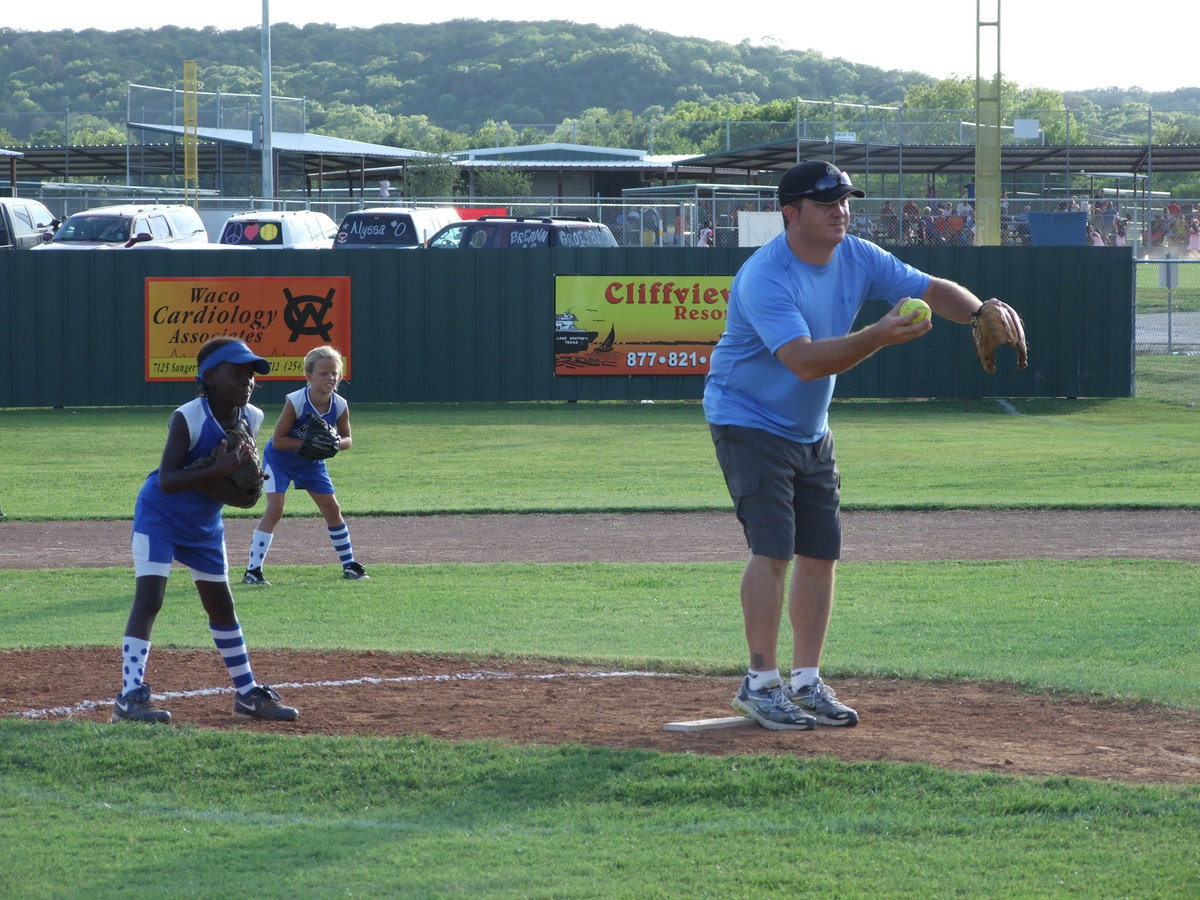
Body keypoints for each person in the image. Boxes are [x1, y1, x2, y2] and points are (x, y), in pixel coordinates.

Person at [703, 159, 1021, 731]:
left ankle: (805, 681)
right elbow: (801, 361)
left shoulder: (858, 255)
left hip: (809, 428)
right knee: (773, 550)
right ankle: (759, 682)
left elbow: (930, 289)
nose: (840, 211)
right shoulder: (766, 275)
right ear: (791, 213)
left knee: (821, 553)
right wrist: (880, 334)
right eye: (827, 203)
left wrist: (978, 310)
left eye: (845, 200)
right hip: (747, 418)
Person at [112, 337, 299, 724]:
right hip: (159, 516)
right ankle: (129, 697)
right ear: (209, 376)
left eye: (250, 374)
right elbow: (167, 479)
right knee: (150, 599)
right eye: (236, 372)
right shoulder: (188, 417)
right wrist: (221, 470)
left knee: (222, 605)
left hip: (204, 525)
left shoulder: (254, 417)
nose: (246, 380)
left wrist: (244, 486)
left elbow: (236, 483)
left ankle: (247, 695)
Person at [243, 345, 368, 585]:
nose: (330, 377)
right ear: (308, 376)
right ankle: (253, 570)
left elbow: (348, 439)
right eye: (323, 373)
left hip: (311, 463)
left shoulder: (339, 405)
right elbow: (278, 441)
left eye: (334, 373)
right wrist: (307, 443)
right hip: (279, 461)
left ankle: (349, 564)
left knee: (332, 510)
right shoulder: (297, 401)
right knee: (275, 509)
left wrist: (334, 444)